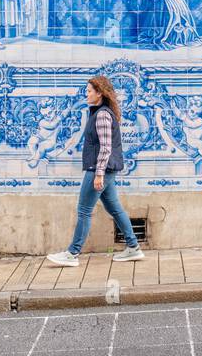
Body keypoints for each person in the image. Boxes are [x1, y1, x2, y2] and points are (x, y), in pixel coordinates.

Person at [46, 76, 144, 266]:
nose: (86, 93)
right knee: (115, 208)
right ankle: (133, 248)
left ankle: (72, 254)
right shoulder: (99, 113)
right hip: (104, 169)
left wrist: (99, 173)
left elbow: (106, 147)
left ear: (99, 93)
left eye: (89, 91)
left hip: (100, 169)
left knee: (84, 210)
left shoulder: (102, 115)